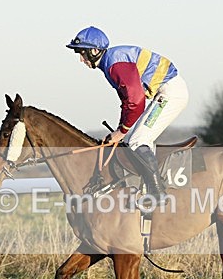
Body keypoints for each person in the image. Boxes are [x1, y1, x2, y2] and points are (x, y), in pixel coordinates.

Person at [66, 26, 189, 203]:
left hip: (169, 92)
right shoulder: (110, 62)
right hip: (165, 91)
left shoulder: (114, 64)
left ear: (94, 51)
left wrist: (121, 132)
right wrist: (120, 129)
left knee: (138, 141)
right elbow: (127, 102)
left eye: (82, 53)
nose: (81, 59)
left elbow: (136, 100)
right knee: (136, 138)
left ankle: (157, 194)